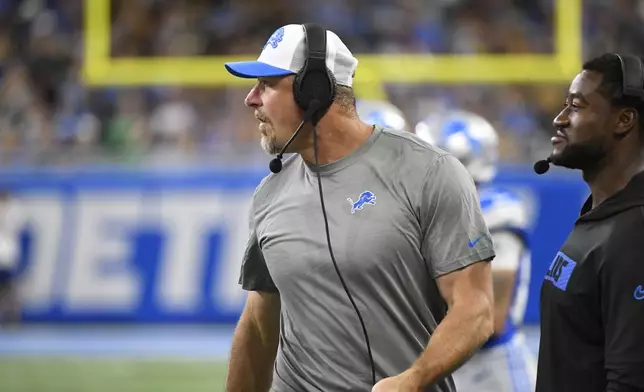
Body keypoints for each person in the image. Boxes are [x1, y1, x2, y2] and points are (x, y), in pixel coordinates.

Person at [223, 24, 495, 392]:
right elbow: (258, 323)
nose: (251, 99)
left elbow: (475, 310)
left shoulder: (428, 171)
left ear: (313, 90)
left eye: (267, 85)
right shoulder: (270, 192)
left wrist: (412, 380)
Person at [536, 53, 644, 391]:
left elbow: (630, 382)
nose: (560, 119)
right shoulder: (602, 216)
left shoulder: (635, 233)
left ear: (623, 120)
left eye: (577, 106)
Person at [415, 110, 537, 392]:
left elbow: (489, 318)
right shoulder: (432, 212)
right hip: (446, 361)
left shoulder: (495, 213)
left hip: (489, 370)